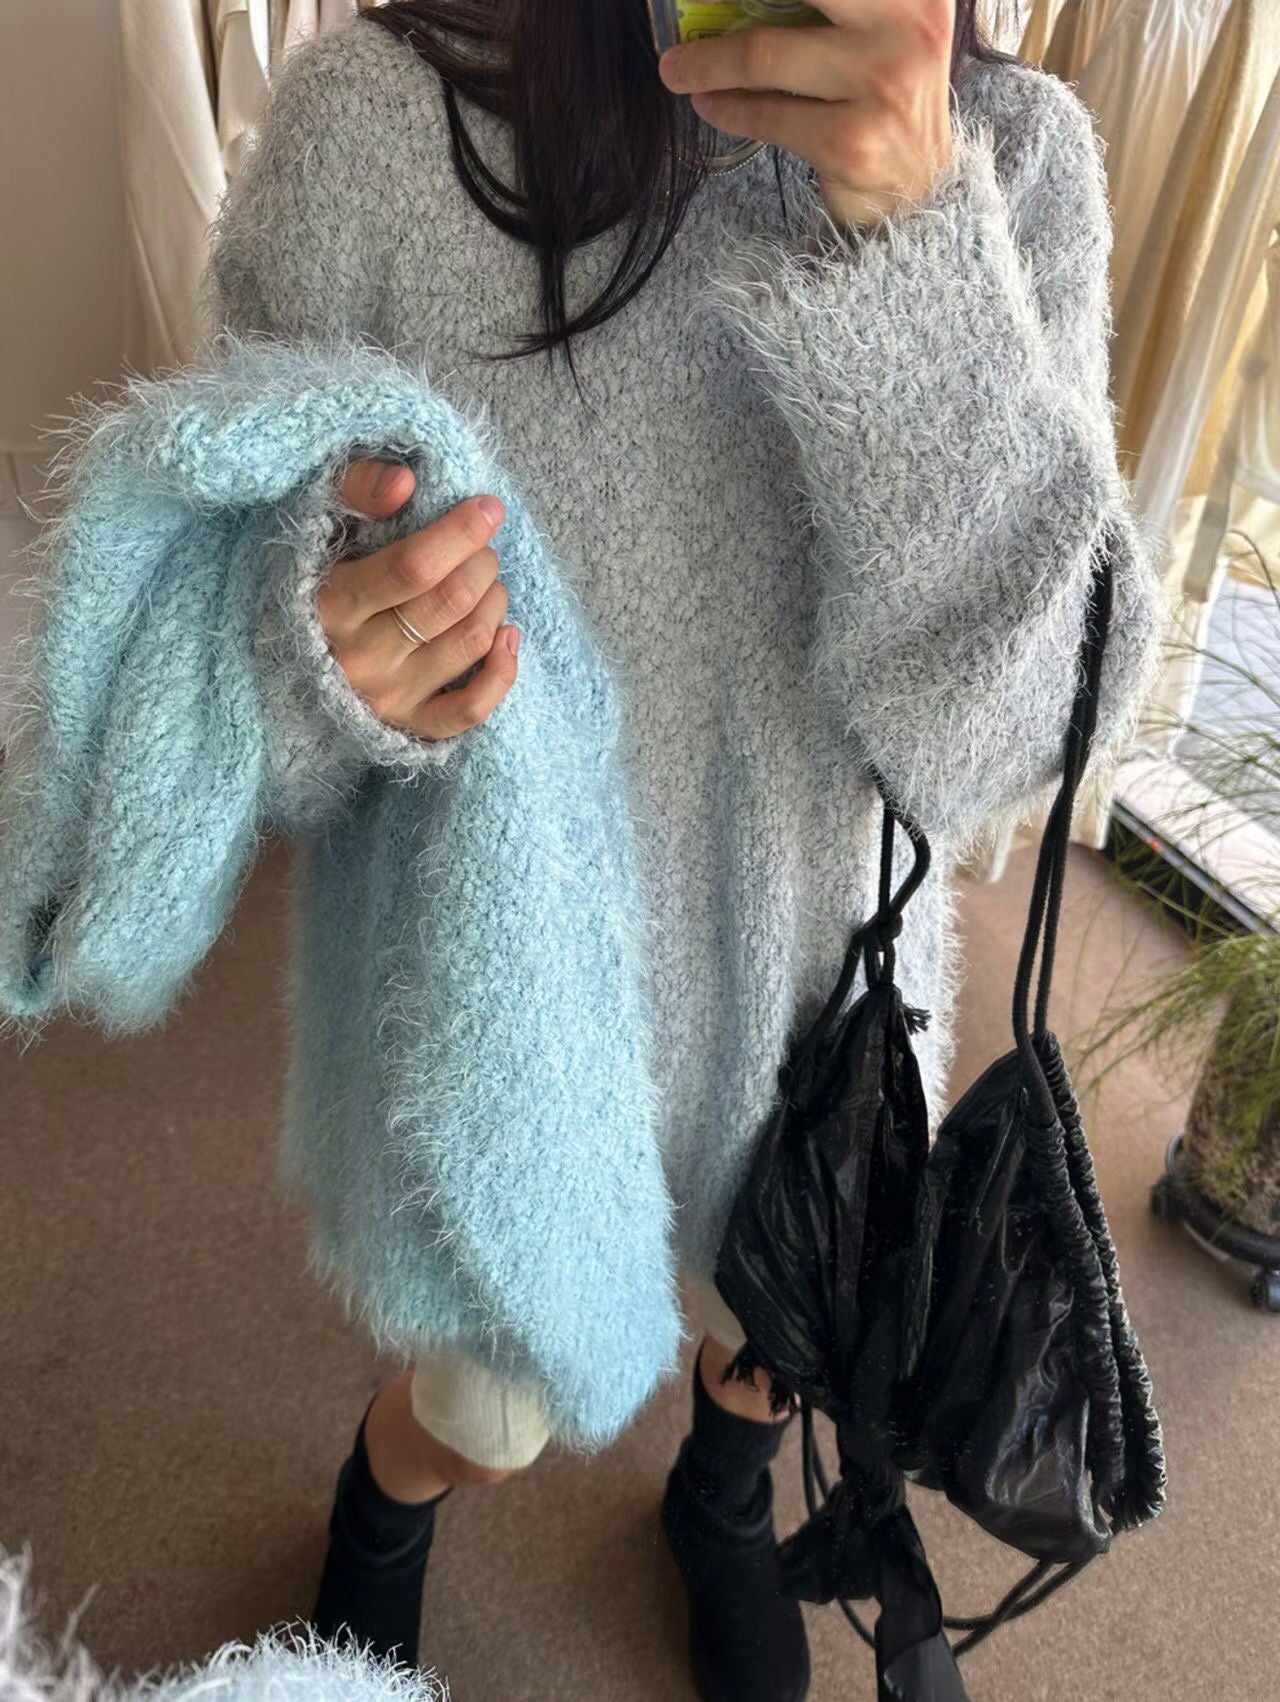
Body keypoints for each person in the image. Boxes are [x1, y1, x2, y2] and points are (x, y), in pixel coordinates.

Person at [203, 3, 1162, 1699]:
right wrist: (320, 656)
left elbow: (1014, 741)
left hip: (815, 999)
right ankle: (385, 1499)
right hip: (493, 1009)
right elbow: (219, 626)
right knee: (481, 1407)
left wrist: (916, 242)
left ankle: (722, 1496)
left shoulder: (1012, 158)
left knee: (769, 1330)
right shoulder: (375, 118)